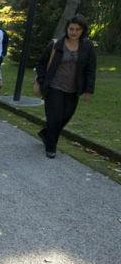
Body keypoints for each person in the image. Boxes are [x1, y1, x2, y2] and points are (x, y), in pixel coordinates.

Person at [36, 15, 96, 159]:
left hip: (73, 89)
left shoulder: (87, 47)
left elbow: (90, 68)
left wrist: (89, 89)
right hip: (54, 87)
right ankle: (51, 146)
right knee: (55, 118)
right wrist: (43, 80)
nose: (73, 32)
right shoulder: (56, 44)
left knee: (65, 117)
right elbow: (41, 64)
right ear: (67, 29)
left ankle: (46, 133)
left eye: (77, 29)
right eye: (71, 29)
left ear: (82, 31)